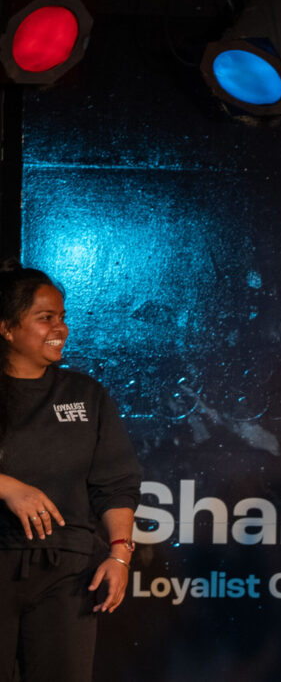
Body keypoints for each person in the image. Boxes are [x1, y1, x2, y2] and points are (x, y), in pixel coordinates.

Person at [0, 264, 141, 682]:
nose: (60, 328)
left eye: (62, 317)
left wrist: (119, 554)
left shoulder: (85, 394)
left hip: (67, 574)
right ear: (6, 328)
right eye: (45, 318)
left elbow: (115, 485)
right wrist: (6, 486)